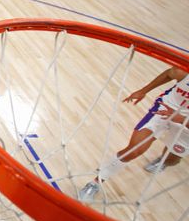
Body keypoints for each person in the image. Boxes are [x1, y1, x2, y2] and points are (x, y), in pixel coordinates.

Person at [79, 67, 188, 201]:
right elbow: (170, 74)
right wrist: (143, 91)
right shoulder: (184, 70)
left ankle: (164, 160)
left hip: (186, 123)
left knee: (172, 159)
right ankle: (95, 182)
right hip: (165, 109)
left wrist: (181, 119)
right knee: (133, 150)